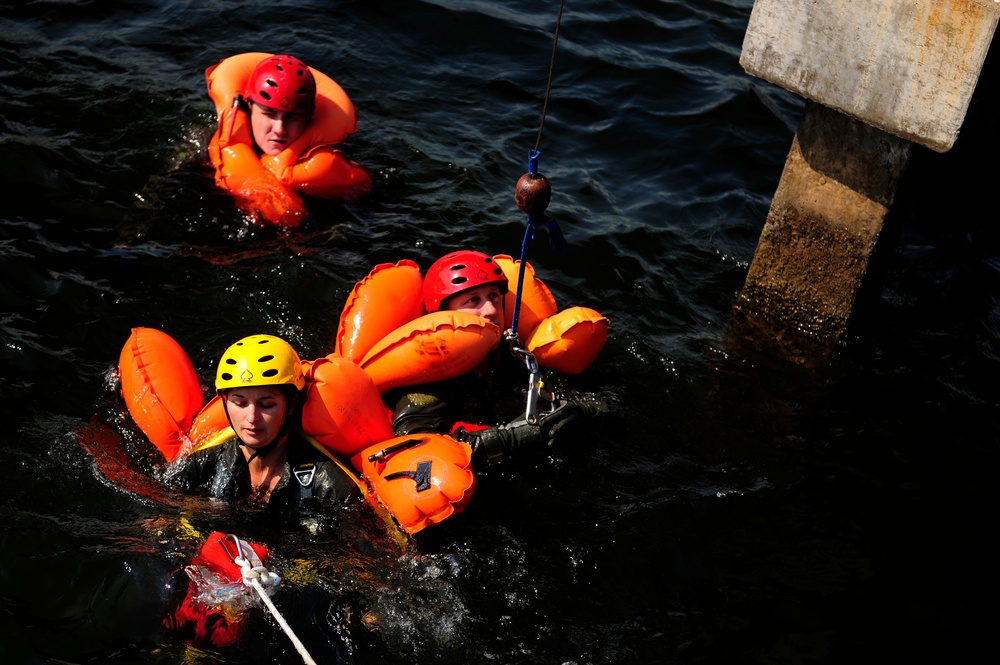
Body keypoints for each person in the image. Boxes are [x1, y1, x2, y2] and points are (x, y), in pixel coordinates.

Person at [387, 250, 598, 467]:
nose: (490, 310)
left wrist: (578, 411)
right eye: (473, 300)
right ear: (443, 314)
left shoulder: (514, 355)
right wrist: (509, 440)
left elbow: (599, 400)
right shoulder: (430, 375)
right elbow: (414, 444)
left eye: (493, 296)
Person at [166, 333, 363, 506]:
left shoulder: (328, 484)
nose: (252, 417)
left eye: (267, 404)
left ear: (291, 405)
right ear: (225, 403)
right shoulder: (206, 463)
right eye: (240, 403)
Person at [205, 53, 372, 224]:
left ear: (308, 118)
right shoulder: (218, 144)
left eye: (292, 117)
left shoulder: (325, 163)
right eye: (269, 114)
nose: (279, 129)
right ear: (249, 108)